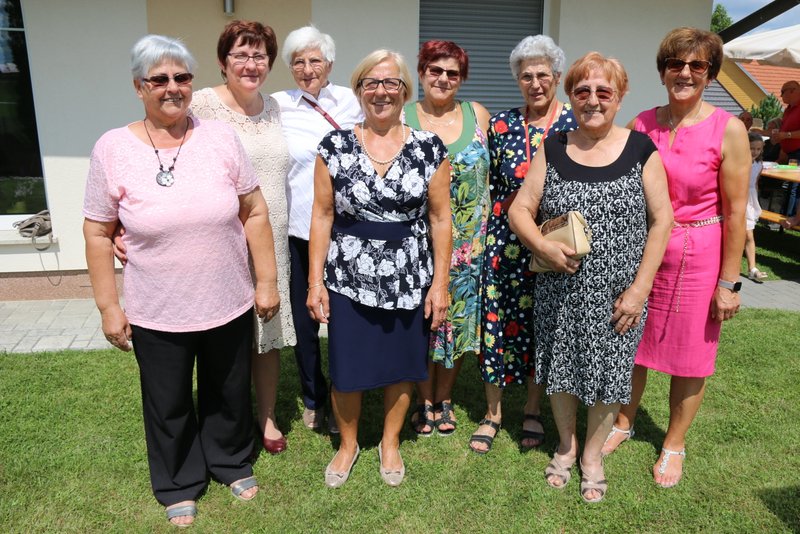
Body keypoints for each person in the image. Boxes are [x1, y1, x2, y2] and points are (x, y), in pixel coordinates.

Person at [83, 34, 279, 527]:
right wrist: (109, 306)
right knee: (167, 402)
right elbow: (97, 230)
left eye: (182, 78)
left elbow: (254, 211)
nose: (172, 88)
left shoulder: (219, 138)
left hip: (228, 298)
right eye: (159, 80)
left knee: (229, 392)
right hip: (158, 308)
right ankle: (177, 481)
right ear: (138, 87)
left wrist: (267, 280)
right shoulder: (113, 148)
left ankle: (230, 461)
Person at [509, 51, 672, 503]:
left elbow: (662, 220)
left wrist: (639, 289)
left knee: (609, 375)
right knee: (560, 372)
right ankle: (566, 445)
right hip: (558, 290)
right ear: (571, 96)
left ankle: (593, 457)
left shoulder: (641, 149)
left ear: (619, 97)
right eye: (583, 91)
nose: (593, 100)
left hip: (619, 296)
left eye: (604, 92)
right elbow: (520, 208)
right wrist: (540, 245)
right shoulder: (555, 148)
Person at [602, 27, 750, 489]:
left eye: (697, 66)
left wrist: (729, 283)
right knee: (633, 346)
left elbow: (734, 211)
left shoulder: (729, 129)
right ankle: (624, 421)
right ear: (663, 70)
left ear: (710, 73)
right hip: (644, 251)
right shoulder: (643, 123)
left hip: (700, 254)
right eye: (675, 64)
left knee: (691, 358)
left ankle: (674, 443)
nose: (684, 73)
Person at [306, 50, 451, 487]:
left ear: (405, 91)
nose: (381, 91)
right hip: (348, 277)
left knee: (402, 366)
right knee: (347, 370)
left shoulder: (429, 148)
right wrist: (315, 282)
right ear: (358, 91)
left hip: (409, 276)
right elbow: (322, 215)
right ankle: (348, 445)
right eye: (371, 83)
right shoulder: (334, 146)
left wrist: (439, 285)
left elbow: (441, 218)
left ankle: (390, 442)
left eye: (391, 83)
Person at [188, 19, 295, 456]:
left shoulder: (274, 107)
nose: (251, 64)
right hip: (223, 240)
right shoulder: (199, 106)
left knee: (267, 334)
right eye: (241, 55)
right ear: (222, 61)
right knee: (221, 337)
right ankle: (221, 416)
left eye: (260, 55)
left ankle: (266, 417)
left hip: (273, 238)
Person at [469, 35, 576, 455]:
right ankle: (492, 412)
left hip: (554, 241)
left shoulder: (574, 124)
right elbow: (488, 184)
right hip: (504, 243)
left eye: (543, 75)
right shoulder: (501, 125)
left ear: (558, 78)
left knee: (540, 326)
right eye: (526, 76)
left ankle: (532, 408)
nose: (535, 83)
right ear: (518, 81)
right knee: (496, 324)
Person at [272, 25, 363, 433]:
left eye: (314, 60)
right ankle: (313, 395)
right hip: (299, 230)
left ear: (329, 63)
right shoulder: (276, 105)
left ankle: (347, 389)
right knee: (304, 321)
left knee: (346, 318)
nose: (307, 69)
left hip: (348, 229)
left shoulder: (351, 101)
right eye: (298, 62)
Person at [402, 40, 490, 437]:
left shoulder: (478, 115)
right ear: (421, 73)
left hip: (469, 244)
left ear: (462, 79)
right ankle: (423, 398)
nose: (443, 78)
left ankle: (445, 397)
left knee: (456, 320)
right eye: (435, 70)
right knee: (421, 322)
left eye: (452, 73)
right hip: (415, 242)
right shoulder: (401, 118)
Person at [770, 80, 800, 217]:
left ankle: (790, 217)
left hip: (798, 153)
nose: (781, 96)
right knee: (790, 183)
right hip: (791, 153)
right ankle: (786, 215)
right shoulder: (789, 108)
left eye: (783, 92)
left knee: (794, 184)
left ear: (793, 90)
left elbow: (789, 132)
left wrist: (786, 135)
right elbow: (785, 127)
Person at [744, 132, 768, 282]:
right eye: (752, 148)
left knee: (749, 234)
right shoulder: (739, 162)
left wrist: (755, 204)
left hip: (750, 200)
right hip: (739, 198)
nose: (755, 152)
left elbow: (755, 184)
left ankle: (752, 267)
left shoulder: (758, 165)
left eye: (758, 149)